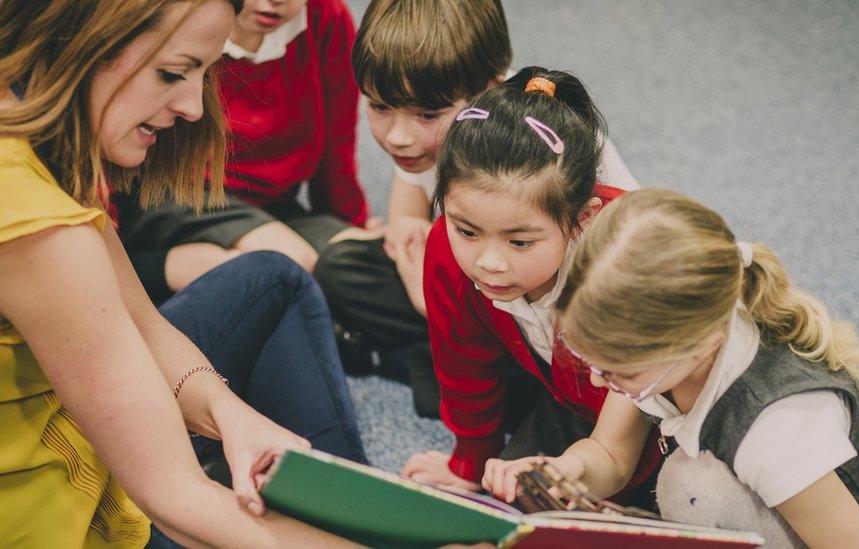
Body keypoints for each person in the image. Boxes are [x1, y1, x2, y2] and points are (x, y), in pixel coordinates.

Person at [0, 0, 362, 545]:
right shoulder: (41, 233)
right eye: (173, 73)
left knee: (272, 277)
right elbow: (176, 502)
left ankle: (354, 505)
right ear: (84, 40)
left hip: (88, 447)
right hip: (79, 525)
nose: (195, 105)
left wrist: (229, 416)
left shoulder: (29, 134)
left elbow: (142, 326)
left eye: (204, 73)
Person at [482, 189, 859, 548]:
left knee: (691, 487)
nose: (598, 380)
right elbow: (612, 456)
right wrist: (568, 469)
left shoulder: (775, 428)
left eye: (616, 369)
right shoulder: (669, 344)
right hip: (766, 504)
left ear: (698, 345)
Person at [317, 0, 639, 411]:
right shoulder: (432, 141)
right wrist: (418, 271)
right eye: (380, 107)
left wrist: (432, 297)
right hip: (488, 282)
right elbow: (406, 219)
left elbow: (629, 270)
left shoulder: (553, 148)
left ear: (488, 91)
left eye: (426, 114)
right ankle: (456, 362)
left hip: (563, 311)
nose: (398, 137)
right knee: (340, 268)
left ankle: (448, 369)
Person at [398, 67, 663, 508]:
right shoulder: (446, 247)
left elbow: (618, 451)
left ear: (584, 219)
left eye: (519, 241)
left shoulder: (631, 264)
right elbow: (462, 364)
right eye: (467, 231)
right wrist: (469, 461)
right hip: (570, 400)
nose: (488, 261)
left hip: (661, 413)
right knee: (506, 501)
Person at [116, 0, 376, 305]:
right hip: (181, 193)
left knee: (367, 260)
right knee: (291, 264)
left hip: (275, 205)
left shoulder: (327, 18)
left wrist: (351, 224)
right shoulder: (193, 17)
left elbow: (338, 144)